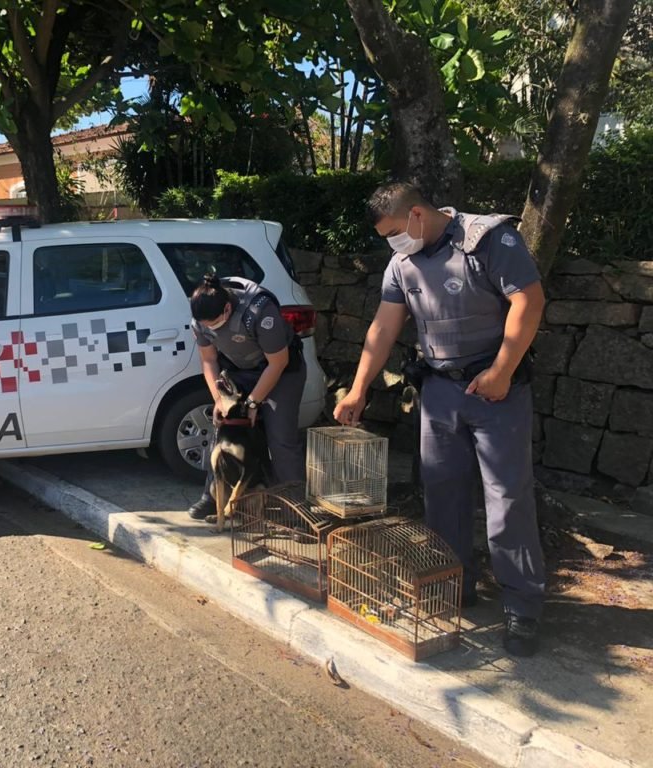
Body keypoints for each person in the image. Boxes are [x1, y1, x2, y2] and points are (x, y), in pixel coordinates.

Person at [334, 181, 546, 657]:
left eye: (393, 231)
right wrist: (359, 389)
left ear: (416, 215)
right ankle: (454, 585)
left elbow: (528, 301)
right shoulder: (402, 263)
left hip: (496, 391)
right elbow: (384, 327)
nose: (392, 241)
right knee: (442, 492)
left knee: (507, 497)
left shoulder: (488, 239)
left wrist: (502, 371)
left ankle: (522, 607)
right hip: (440, 391)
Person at [186, 273, 307, 523]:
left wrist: (253, 403)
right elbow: (208, 359)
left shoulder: (259, 311)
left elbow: (278, 362)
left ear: (228, 308)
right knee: (221, 428)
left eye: (215, 322)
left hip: (281, 371)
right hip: (241, 371)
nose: (210, 328)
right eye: (205, 325)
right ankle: (212, 497)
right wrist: (218, 399)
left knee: (281, 439)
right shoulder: (201, 321)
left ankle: (296, 511)